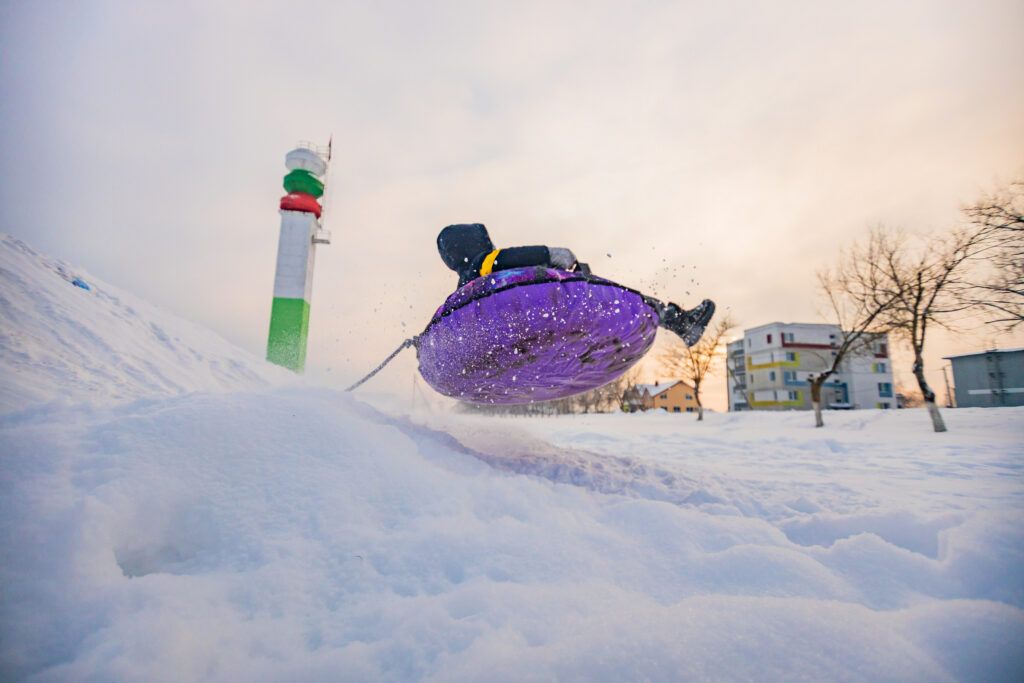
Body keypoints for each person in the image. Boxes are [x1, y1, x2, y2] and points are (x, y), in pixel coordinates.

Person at [437, 223, 715, 346]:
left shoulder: (462, 291)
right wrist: (554, 255)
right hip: (545, 311)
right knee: (616, 298)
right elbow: (518, 257)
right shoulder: (487, 262)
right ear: (474, 243)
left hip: (514, 333)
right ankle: (677, 321)